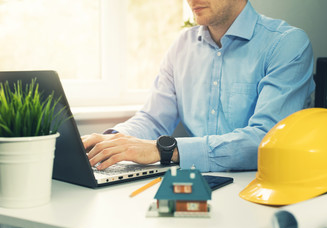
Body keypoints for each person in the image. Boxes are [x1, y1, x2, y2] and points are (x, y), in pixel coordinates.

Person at [82, 0, 315, 172]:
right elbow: (153, 119)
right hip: (196, 182)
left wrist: (164, 150)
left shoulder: (286, 44)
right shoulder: (182, 46)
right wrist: (108, 143)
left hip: (258, 188)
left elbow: (266, 140)